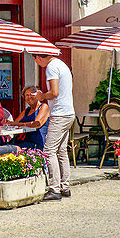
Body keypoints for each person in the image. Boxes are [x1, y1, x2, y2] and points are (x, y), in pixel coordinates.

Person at [33, 53, 74, 201]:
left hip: (59, 114)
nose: (37, 64)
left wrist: (41, 96)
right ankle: (65, 186)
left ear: (38, 57)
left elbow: (54, 93)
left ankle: (54, 189)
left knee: (49, 151)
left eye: (36, 60)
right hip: (69, 112)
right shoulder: (62, 64)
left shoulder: (51, 67)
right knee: (61, 151)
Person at [11, 86, 49, 151]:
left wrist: (20, 124)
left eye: (32, 94)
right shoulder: (26, 110)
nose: (29, 97)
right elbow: (15, 123)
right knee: (4, 146)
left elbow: (37, 124)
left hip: (37, 143)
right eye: (27, 95)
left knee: (10, 149)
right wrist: (8, 123)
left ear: (37, 95)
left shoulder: (43, 107)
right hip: (24, 141)